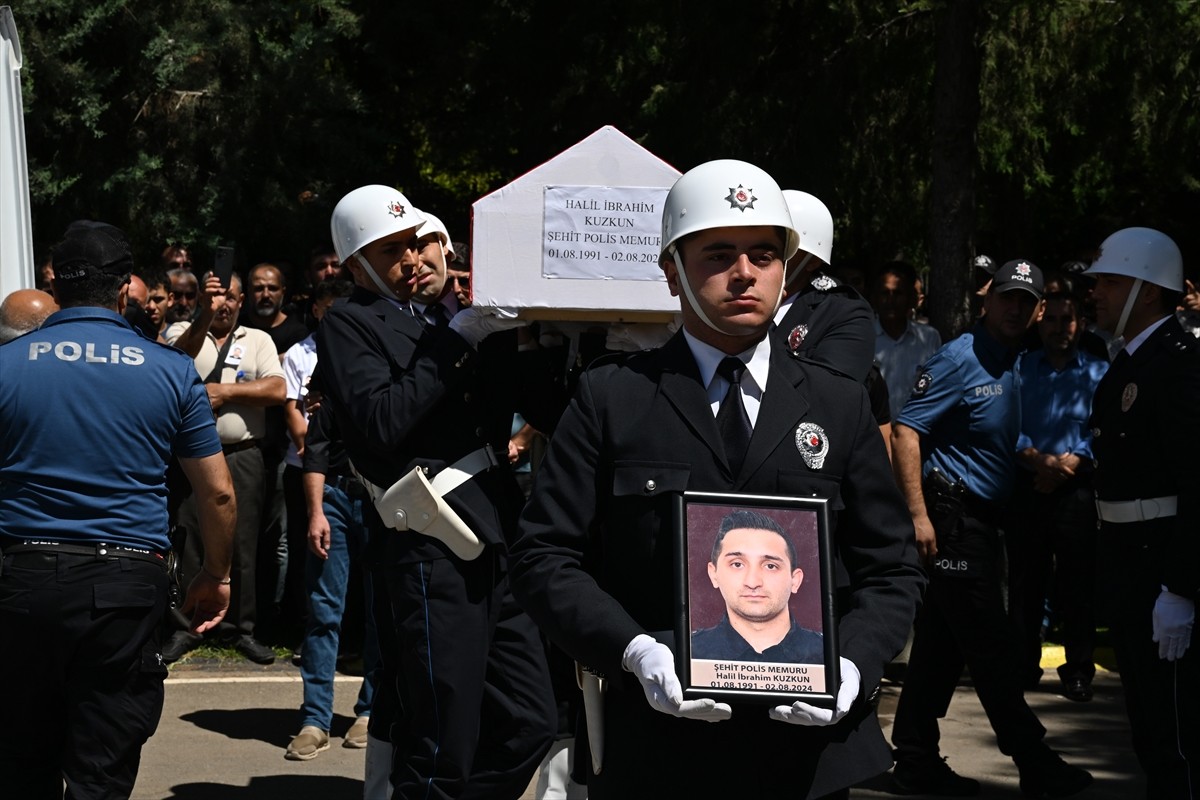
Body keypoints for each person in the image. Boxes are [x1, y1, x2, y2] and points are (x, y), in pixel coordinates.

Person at [508, 159, 924, 799]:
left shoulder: (838, 404)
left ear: (787, 271)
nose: (744, 273)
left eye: (764, 254)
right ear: (671, 269)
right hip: (659, 746)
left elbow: (891, 566)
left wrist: (855, 664)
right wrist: (633, 651)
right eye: (718, 254)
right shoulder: (613, 397)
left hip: (809, 757)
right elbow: (543, 555)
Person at [316, 185, 561, 799]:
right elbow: (381, 422)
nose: (412, 258)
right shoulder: (352, 322)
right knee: (440, 735)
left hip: (496, 534)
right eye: (392, 249)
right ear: (355, 266)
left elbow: (545, 406)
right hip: (431, 540)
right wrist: (458, 340)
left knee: (531, 721)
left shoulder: (459, 318)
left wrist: (541, 338)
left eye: (418, 242)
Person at [0, 221, 235, 798]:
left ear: (54, 285)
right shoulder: (170, 369)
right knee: (101, 771)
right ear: (125, 287)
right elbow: (219, 493)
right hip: (124, 584)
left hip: (21, 578)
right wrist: (216, 573)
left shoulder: (8, 362)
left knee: (19, 761)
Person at [888, 259, 1093, 797]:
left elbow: (989, 440)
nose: (1015, 309)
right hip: (954, 522)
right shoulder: (960, 359)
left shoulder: (1012, 359)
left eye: (1025, 301)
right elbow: (906, 431)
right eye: (1006, 298)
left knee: (940, 648)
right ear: (987, 299)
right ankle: (1033, 760)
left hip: (985, 519)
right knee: (993, 648)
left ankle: (914, 758)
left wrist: (1037, 464)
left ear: (1038, 310)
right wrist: (918, 515)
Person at [1084, 227, 1200, 797]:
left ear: (1148, 292)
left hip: (1161, 572)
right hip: (1131, 570)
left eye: (1109, 281)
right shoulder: (1130, 364)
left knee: (1176, 740)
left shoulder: (1179, 366)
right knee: (1150, 735)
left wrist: (1180, 587)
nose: (1096, 293)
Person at [161, 270, 286, 665]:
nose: (225, 304)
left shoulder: (258, 339)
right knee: (189, 535)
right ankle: (185, 626)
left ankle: (240, 629)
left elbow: (277, 389)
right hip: (190, 456)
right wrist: (202, 315)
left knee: (243, 541)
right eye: (217, 297)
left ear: (242, 300)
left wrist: (224, 392)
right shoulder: (181, 330)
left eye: (232, 296)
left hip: (242, 454)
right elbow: (171, 363)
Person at [1009, 291, 1107, 701]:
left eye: (1068, 320)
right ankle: (1022, 666)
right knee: (1026, 583)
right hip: (1029, 484)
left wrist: (1070, 464)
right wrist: (1037, 460)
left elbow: (1104, 431)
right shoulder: (1021, 368)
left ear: (1080, 324)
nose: (1059, 329)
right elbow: (1006, 423)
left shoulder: (1101, 373)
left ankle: (1079, 669)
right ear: (1039, 323)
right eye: (1052, 320)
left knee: (1076, 584)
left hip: (1077, 488)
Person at [691, 508, 823, 663]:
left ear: (795, 580)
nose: (753, 582)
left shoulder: (825, 654)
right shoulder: (689, 652)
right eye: (737, 564)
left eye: (770, 566)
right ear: (714, 574)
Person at [773, 189, 875, 382]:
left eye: (783, 248)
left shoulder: (842, 312)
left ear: (812, 262)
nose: (764, 256)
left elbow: (831, 398)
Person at [870, 260, 942, 419]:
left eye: (897, 293)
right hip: (875, 433)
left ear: (910, 299)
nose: (890, 300)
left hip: (917, 433)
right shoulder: (865, 338)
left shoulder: (929, 337)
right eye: (884, 293)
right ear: (874, 299)